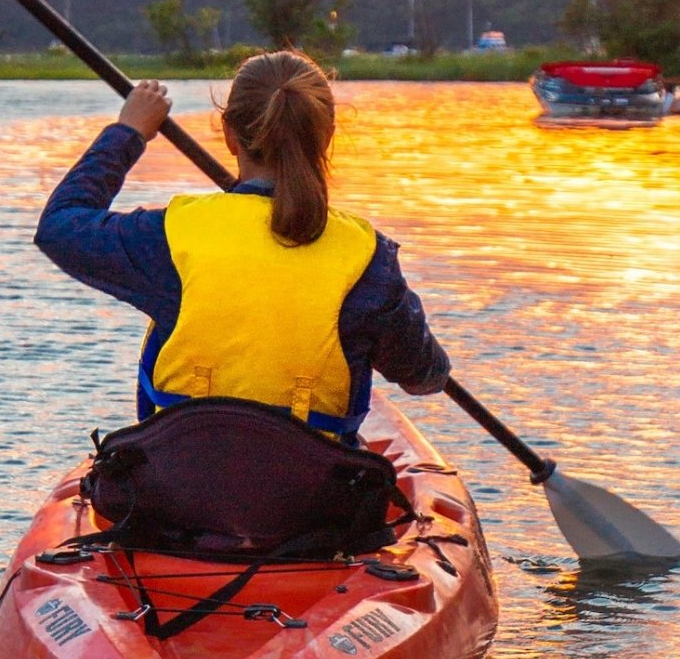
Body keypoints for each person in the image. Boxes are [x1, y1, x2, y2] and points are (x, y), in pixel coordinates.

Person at [34, 50, 449, 445]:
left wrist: (129, 132)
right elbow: (425, 376)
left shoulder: (171, 238)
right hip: (313, 503)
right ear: (326, 137)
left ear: (230, 134)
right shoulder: (367, 259)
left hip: (178, 490)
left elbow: (59, 225)